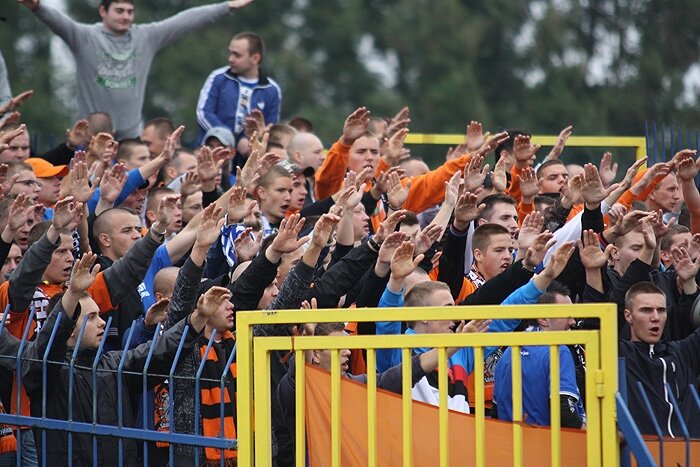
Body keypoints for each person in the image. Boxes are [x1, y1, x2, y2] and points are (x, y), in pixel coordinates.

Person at [21, 251, 229, 466]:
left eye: (99, 315)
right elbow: (48, 346)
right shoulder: (48, 371)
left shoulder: (111, 366)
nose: (102, 322)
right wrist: (72, 294)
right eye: (91, 317)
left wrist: (199, 317)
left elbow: (160, 352)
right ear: (69, 328)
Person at [18, 0, 257, 139]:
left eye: (130, 12)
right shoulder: (85, 37)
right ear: (103, 11)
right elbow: (59, 22)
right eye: (119, 10)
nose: (125, 16)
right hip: (91, 137)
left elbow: (185, 20)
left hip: (131, 138)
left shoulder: (145, 37)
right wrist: (38, 7)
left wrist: (227, 6)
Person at [492, 282, 587, 429]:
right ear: (543, 319)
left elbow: (496, 411)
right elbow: (564, 410)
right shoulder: (558, 351)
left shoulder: (509, 351)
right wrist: (590, 434)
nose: (573, 322)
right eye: (566, 315)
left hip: (511, 440)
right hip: (549, 441)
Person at [617, 281, 700, 438]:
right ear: (628, 316)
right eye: (646, 310)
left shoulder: (683, 352)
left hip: (691, 450)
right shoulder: (619, 353)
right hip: (642, 450)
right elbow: (594, 324)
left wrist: (689, 282)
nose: (655, 317)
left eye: (661, 310)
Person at [196, 32, 282, 148]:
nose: (230, 59)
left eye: (237, 55)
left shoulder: (272, 90)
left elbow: (272, 128)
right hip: (213, 150)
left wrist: (254, 141)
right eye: (230, 53)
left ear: (255, 58)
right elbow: (203, 113)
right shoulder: (218, 77)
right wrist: (230, 139)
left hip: (248, 154)